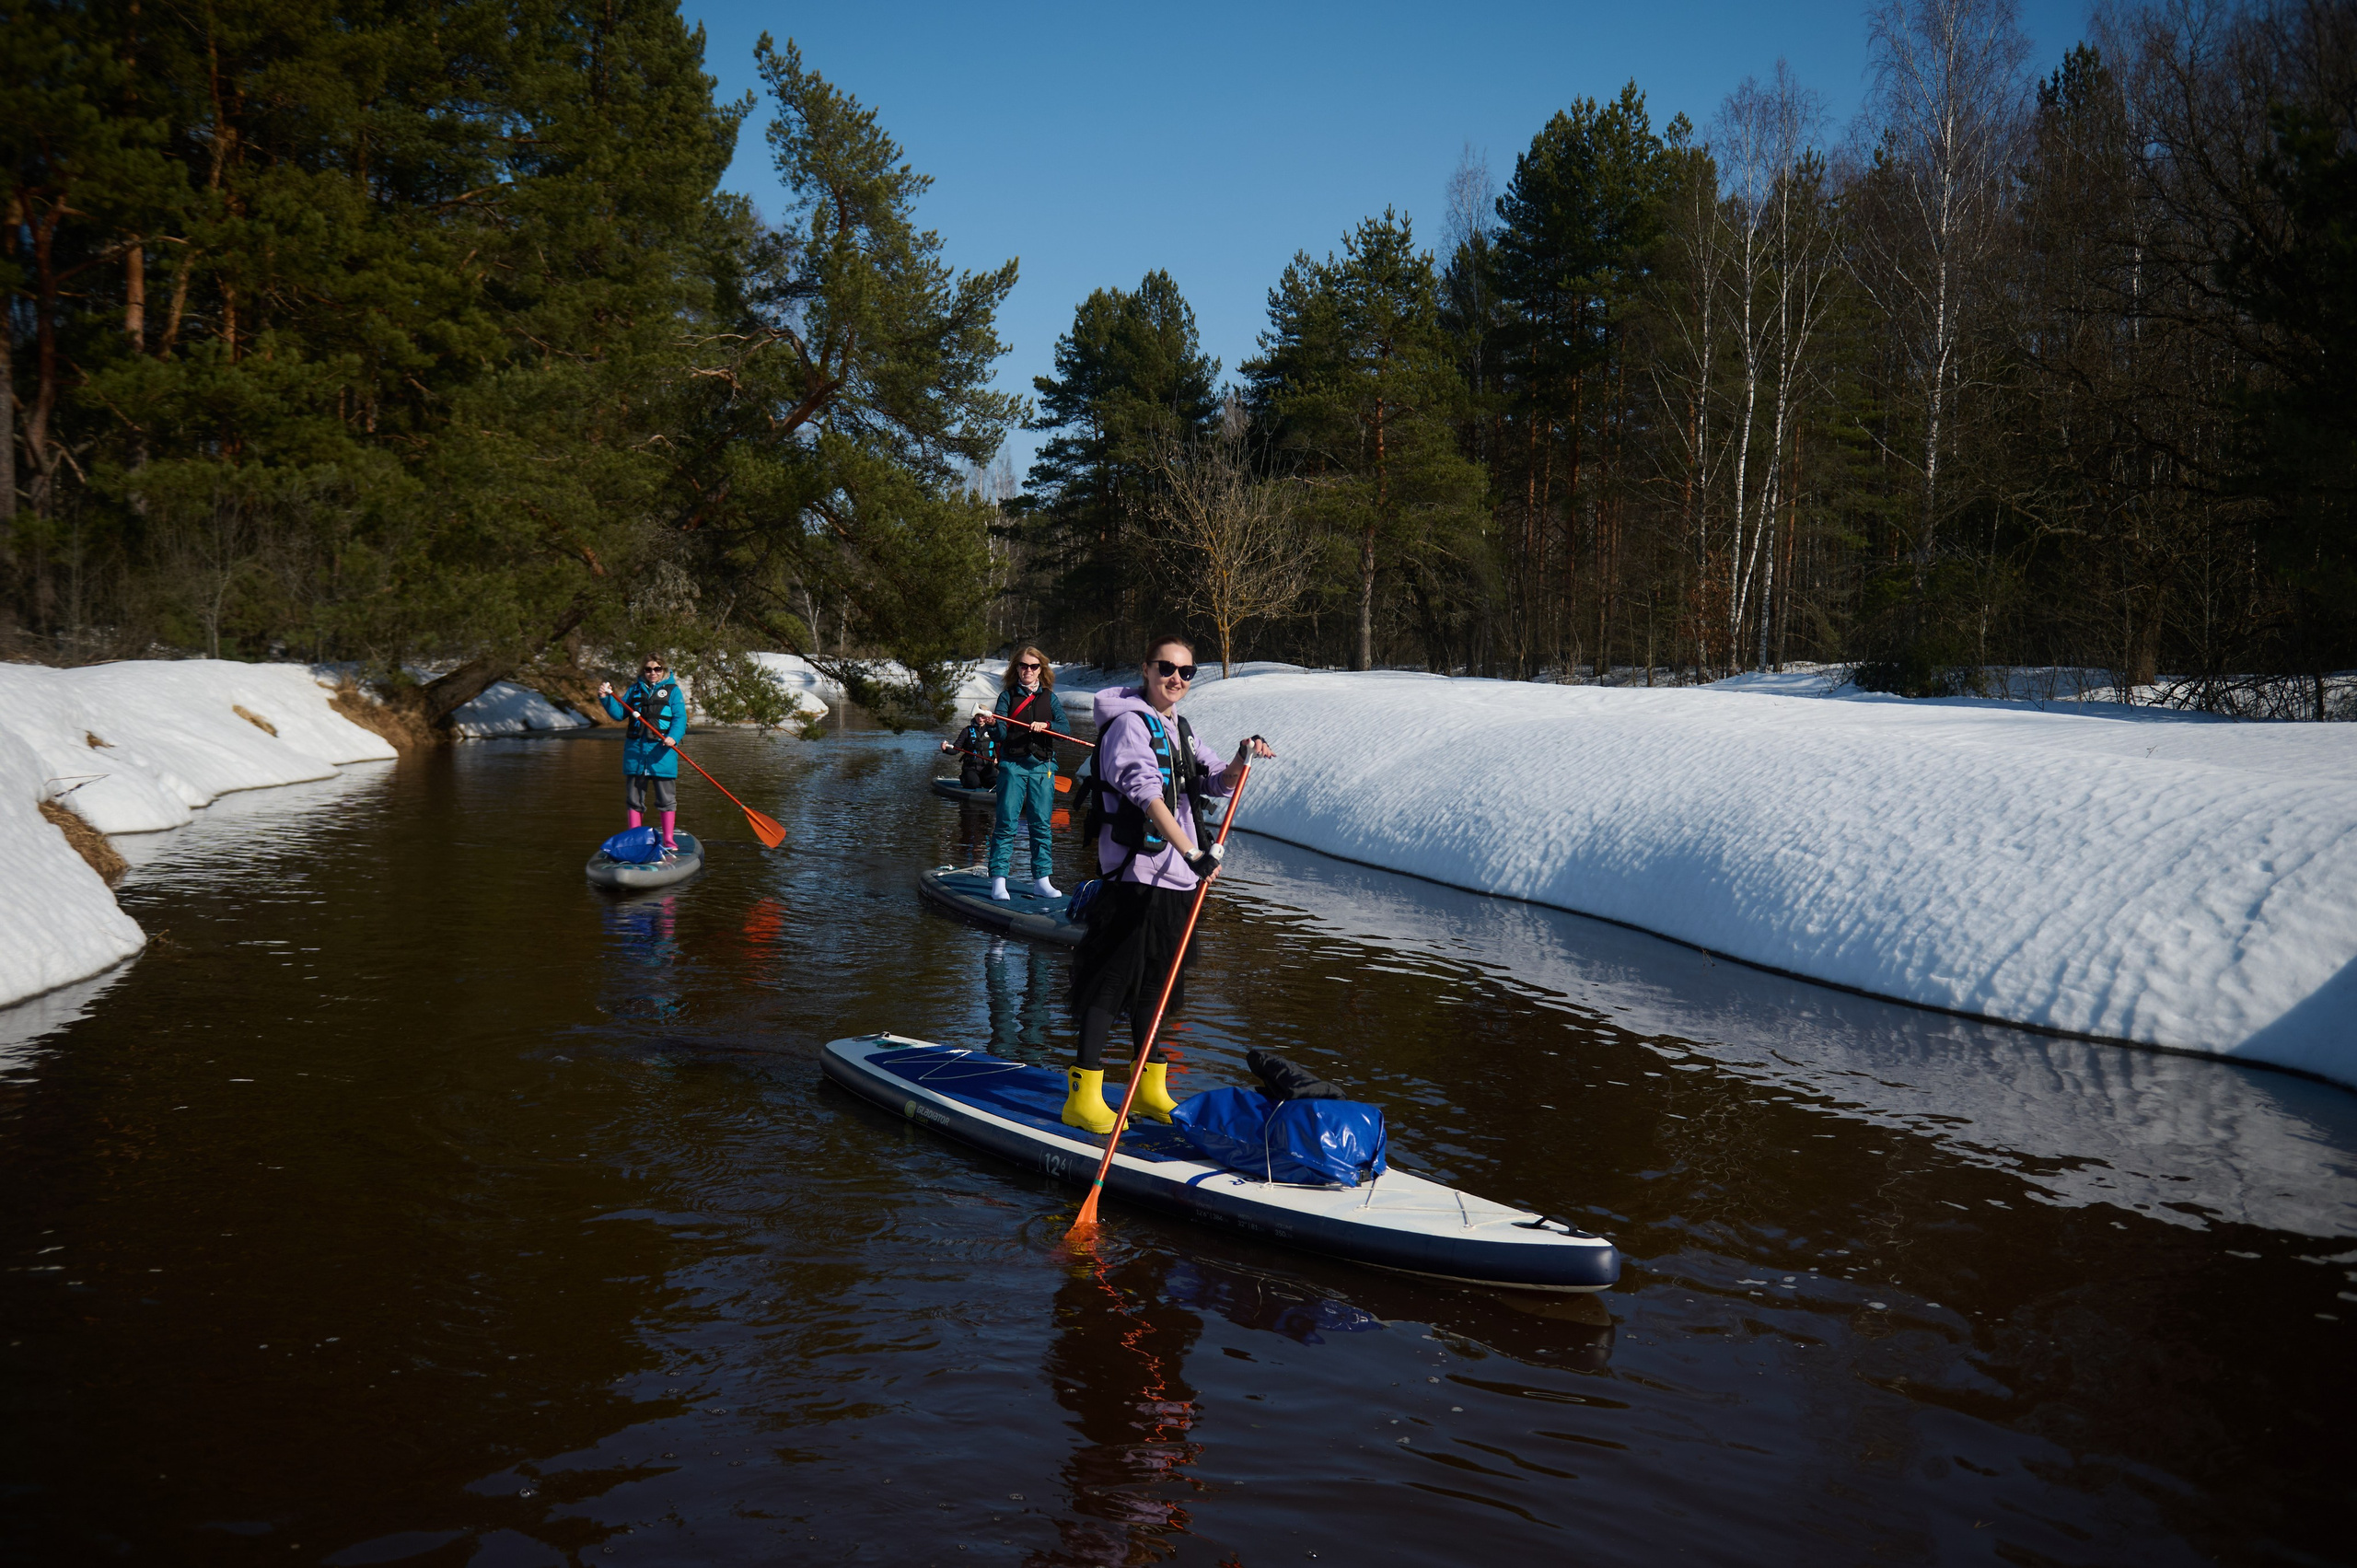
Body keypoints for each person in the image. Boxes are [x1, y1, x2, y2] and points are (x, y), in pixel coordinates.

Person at [1062, 633, 1275, 1134]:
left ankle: (1147, 1087)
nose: (1176, 678)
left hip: (1177, 879)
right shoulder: (1128, 726)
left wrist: (1241, 757)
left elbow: (1213, 779)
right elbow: (1146, 794)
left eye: (1186, 671)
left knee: (1158, 983)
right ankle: (1083, 1094)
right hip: (1137, 874)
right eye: (1166, 668)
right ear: (1146, 669)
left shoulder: (1180, 728)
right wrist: (1192, 852)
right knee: (1114, 978)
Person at [981, 645, 1067, 903]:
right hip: (1012, 767)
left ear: (1041, 669)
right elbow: (1001, 734)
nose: (1028, 670)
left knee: (1041, 825)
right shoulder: (1007, 697)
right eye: (1023, 666)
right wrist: (993, 725)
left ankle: (1042, 881)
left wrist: (1047, 725)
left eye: (1033, 666)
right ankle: (999, 881)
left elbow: (1065, 729)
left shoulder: (1050, 698)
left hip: (1043, 768)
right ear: (1016, 669)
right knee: (1006, 824)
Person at [598, 656, 687, 855]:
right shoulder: (634, 690)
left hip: (662, 755)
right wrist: (605, 698)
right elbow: (619, 713)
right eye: (648, 669)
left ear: (663, 669)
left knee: (666, 800)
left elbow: (680, 718)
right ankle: (635, 840)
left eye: (657, 669)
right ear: (643, 671)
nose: (653, 673)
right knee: (633, 800)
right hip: (635, 755)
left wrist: (673, 737)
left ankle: (669, 840)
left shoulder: (673, 691)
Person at [939, 711, 999, 791]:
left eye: (982, 716)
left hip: (988, 767)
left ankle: (984, 781)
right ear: (975, 716)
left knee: (996, 783)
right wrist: (945, 749)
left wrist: (998, 759)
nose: (980, 718)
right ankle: (965, 778)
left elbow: (1000, 748)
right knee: (974, 784)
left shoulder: (993, 731)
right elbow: (956, 749)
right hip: (971, 767)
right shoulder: (966, 731)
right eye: (977, 716)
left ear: (987, 717)